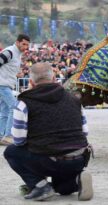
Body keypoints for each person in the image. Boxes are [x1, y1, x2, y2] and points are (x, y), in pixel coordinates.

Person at [3, 62, 93, 201]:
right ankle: (76, 179)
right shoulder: (74, 99)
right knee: (62, 189)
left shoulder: (24, 102)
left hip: (48, 160)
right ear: (54, 78)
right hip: (78, 159)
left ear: (31, 82)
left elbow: (19, 139)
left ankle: (40, 186)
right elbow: (85, 132)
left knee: (11, 152)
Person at [0, 34, 30, 145]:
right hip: (2, 85)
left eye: (27, 45)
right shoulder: (9, 52)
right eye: (24, 44)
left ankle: (1, 135)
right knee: (14, 107)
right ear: (17, 42)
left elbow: (6, 68)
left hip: (5, 84)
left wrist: (17, 74)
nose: (25, 47)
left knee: (5, 111)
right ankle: (8, 136)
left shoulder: (18, 54)